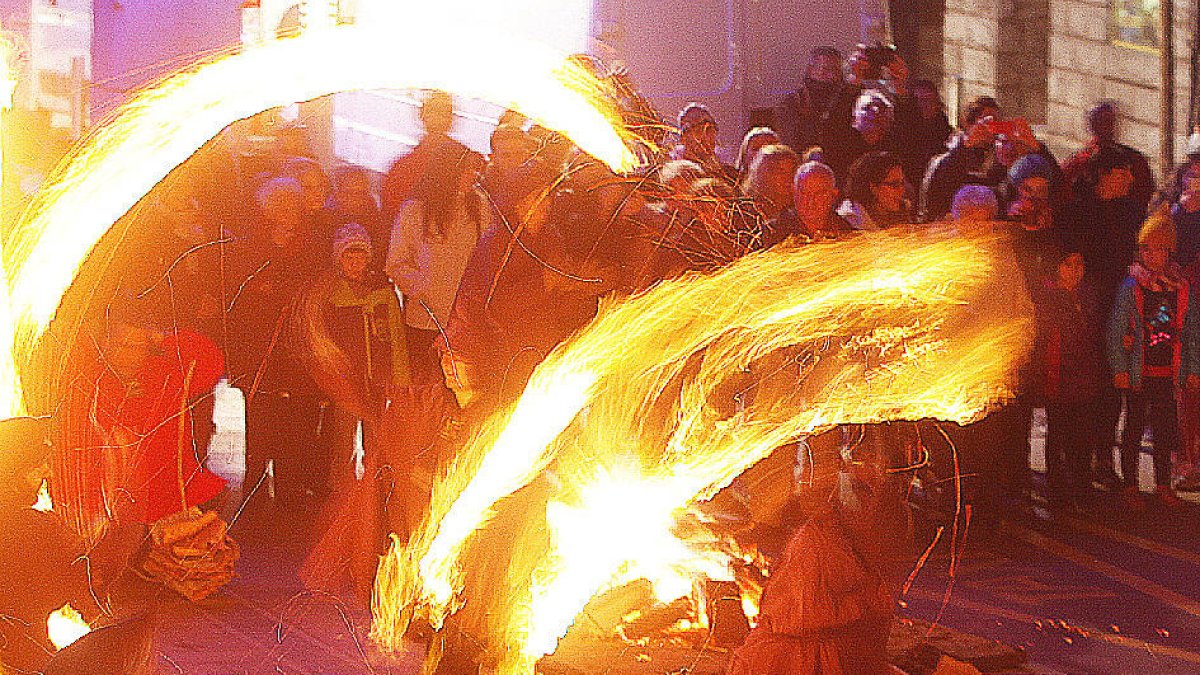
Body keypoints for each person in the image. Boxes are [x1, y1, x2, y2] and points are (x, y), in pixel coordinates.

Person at [227, 177, 328, 511]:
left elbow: (315, 284)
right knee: (260, 429)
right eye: (280, 206)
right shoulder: (250, 244)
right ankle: (254, 500)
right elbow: (242, 295)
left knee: (297, 428)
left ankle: (290, 495)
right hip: (261, 355)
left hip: (297, 354)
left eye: (292, 205)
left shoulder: (312, 244)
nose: (288, 213)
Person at [1107, 211, 1200, 509]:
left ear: (1169, 251)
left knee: (1165, 431)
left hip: (1167, 372)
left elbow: (1192, 332)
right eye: (1147, 248)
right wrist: (1120, 367)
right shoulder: (1131, 287)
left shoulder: (1181, 287)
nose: (1152, 255)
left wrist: (1192, 369)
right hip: (1138, 372)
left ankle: (1163, 484)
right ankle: (1130, 484)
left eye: (1159, 248)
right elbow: (1116, 330)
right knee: (1133, 428)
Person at [388, 143, 490, 384]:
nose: (472, 176)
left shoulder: (480, 207)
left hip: (466, 322)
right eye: (466, 170)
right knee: (428, 388)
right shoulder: (415, 211)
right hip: (425, 320)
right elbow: (396, 262)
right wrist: (422, 286)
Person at [1032, 246, 1105, 510]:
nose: (1075, 271)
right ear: (1057, 266)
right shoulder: (1048, 295)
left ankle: (1083, 488)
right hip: (1059, 374)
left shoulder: (1090, 294)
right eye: (1068, 265)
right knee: (1059, 436)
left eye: (1079, 265)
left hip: (1085, 374)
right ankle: (1058, 490)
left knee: (1083, 437)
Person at [381, 90, 477, 222]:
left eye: (443, 112)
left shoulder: (468, 160)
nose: (438, 118)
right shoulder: (403, 167)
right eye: (434, 111)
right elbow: (392, 215)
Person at [1062, 101, 1154, 209]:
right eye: (1101, 122)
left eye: (1107, 121)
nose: (1105, 126)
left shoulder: (1135, 161)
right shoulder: (1079, 162)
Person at [761, 161, 852, 248]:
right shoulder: (772, 232)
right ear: (793, 191)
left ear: (833, 194)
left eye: (819, 194)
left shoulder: (846, 234)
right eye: (804, 193)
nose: (811, 201)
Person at [774, 46, 846, 154]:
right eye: (825, 69)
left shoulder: (846, 99)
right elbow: (789, 142)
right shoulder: (794, 102)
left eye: (836, 70)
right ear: (810, 70)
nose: (832, 75)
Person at [820, 90, 896, 182]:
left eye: (881, 107)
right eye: (866, 107)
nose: (875, 110)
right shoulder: (839, 147)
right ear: (854, 119)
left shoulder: (894, 150)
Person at [328, 165, 387, 271]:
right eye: (350, 193)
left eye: (362, 193)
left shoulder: (376, 221)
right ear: (337, 193)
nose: (357, 198)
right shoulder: (325, 222)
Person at [836, 151, 910, 231]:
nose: (901, 190)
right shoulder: (850, 220)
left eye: (902, 183)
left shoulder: (900, 211)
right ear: (873, 187)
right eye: (894, 184)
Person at [903, 78, 953, 188]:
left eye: (930, 100)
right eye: (921, 100)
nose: (926, 105)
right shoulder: (905, 127)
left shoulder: (941, 123)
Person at [673, 102, 738, 184]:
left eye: (710, 129)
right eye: (699, 130)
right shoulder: (674, 175)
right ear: (683, 137)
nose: (707, 137)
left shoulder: (729, 176)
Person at [739, 144, 800, 223]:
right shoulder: (746, 210)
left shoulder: (801, 209)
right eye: (780, 171)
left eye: (792, 171)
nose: (788, 177)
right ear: (763, 174)